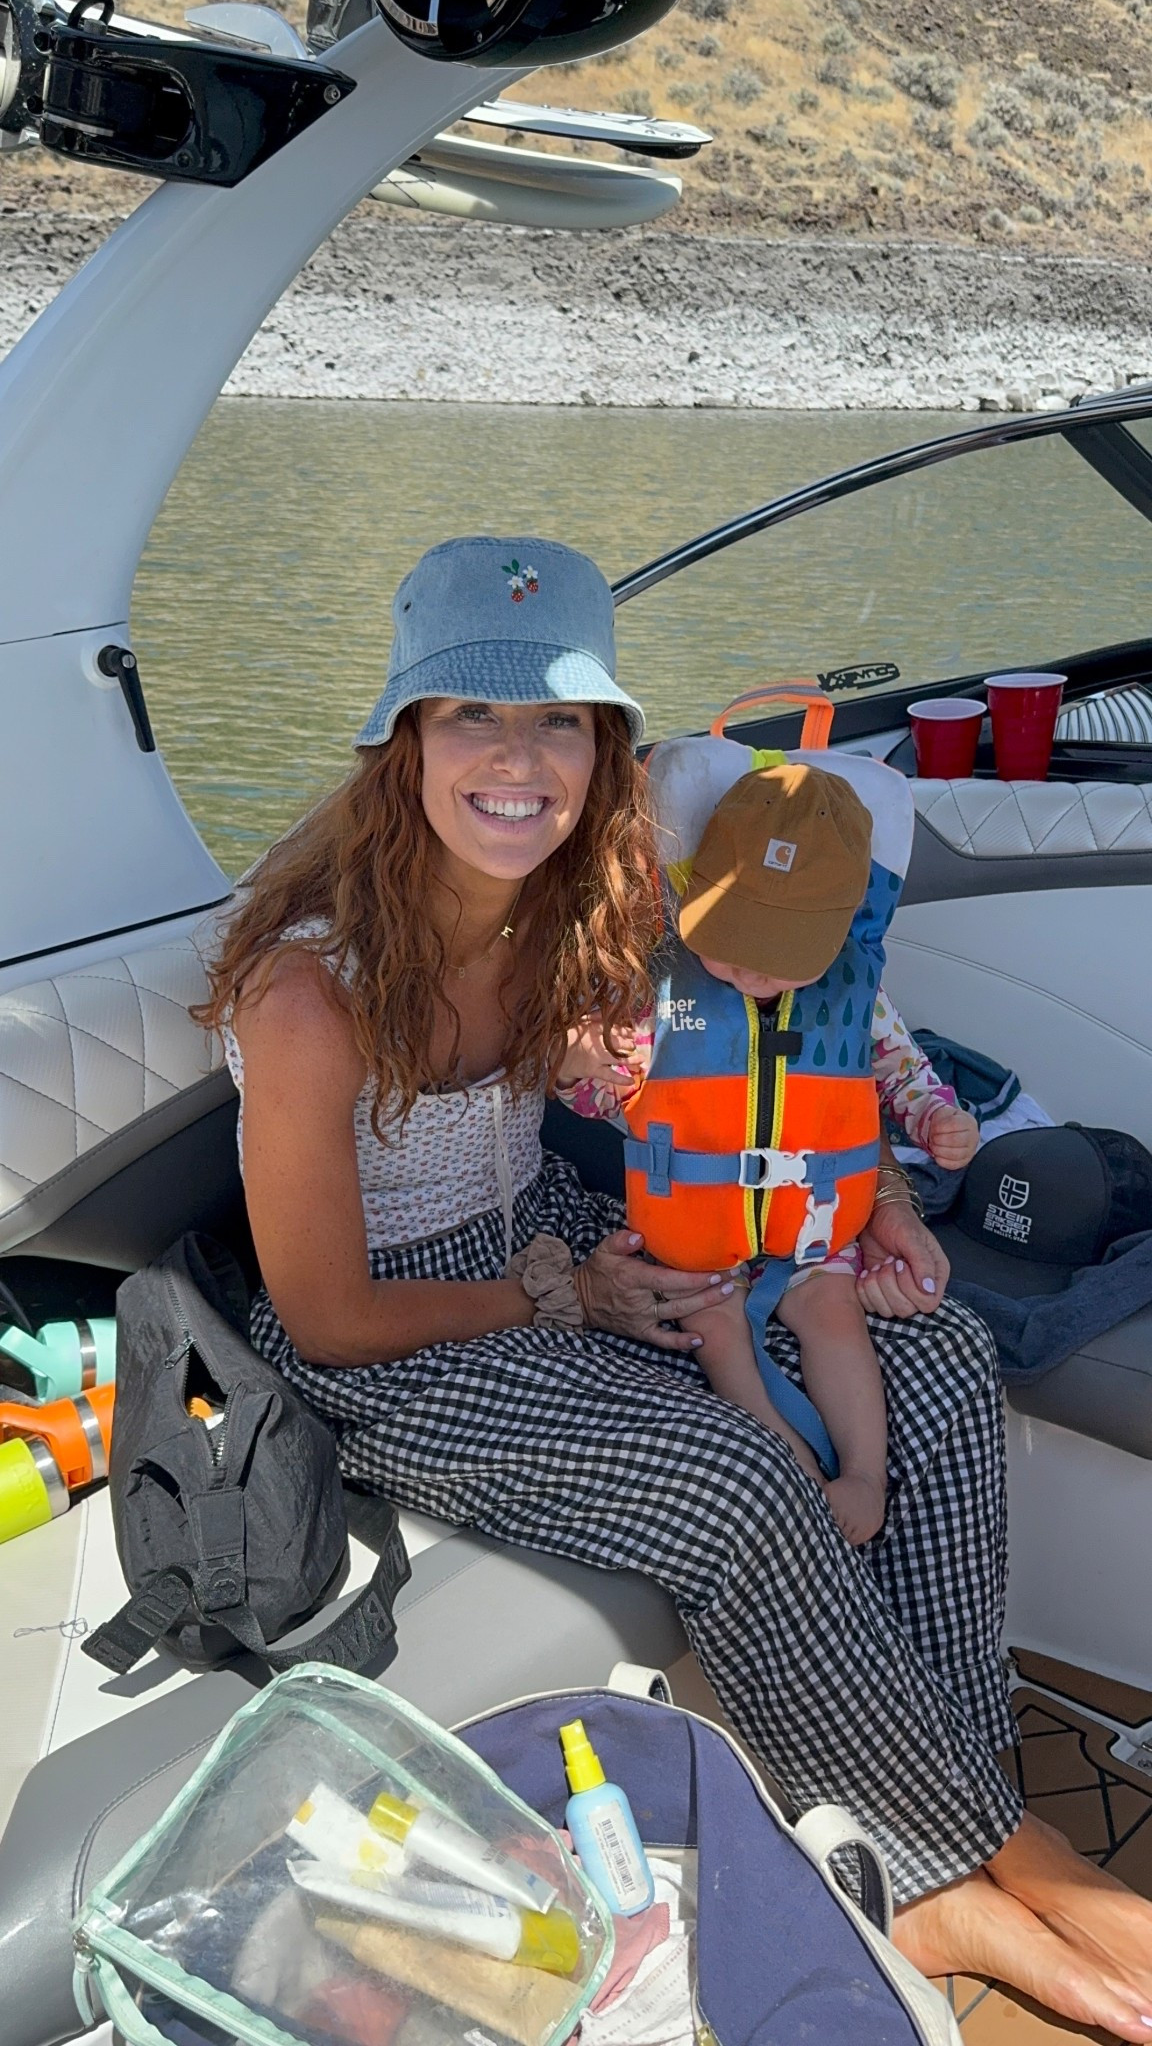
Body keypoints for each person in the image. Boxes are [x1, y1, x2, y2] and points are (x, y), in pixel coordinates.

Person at [197, 534, 1152, 2039]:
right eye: (473, 713)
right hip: (398, 1335)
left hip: (562, 1236)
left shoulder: (576, 909)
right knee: (735, 1478)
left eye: (560, 721)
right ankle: (994, 1870)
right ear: (404, 741)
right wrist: (565, 1295)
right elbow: (327, 1314)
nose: (519, 758)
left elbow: (785, 1064)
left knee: (944, 1362)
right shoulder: (310, 991)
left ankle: (960, 1812)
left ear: (606, 751)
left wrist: (880, 1205)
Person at [556, 760, 980, 1546]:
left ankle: (864, 1472)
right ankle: (792, 1467)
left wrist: (939, 1120)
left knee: (833, 1312)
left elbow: (902, 1073)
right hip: (696, 1239)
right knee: (713, 1327)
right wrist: (580, 1066)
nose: (750, 969)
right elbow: (603, 1099)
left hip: (815, 1226)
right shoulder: (657, 992)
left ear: (837, 932)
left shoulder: (856, 994)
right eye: (732, 941)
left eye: (779, 952)